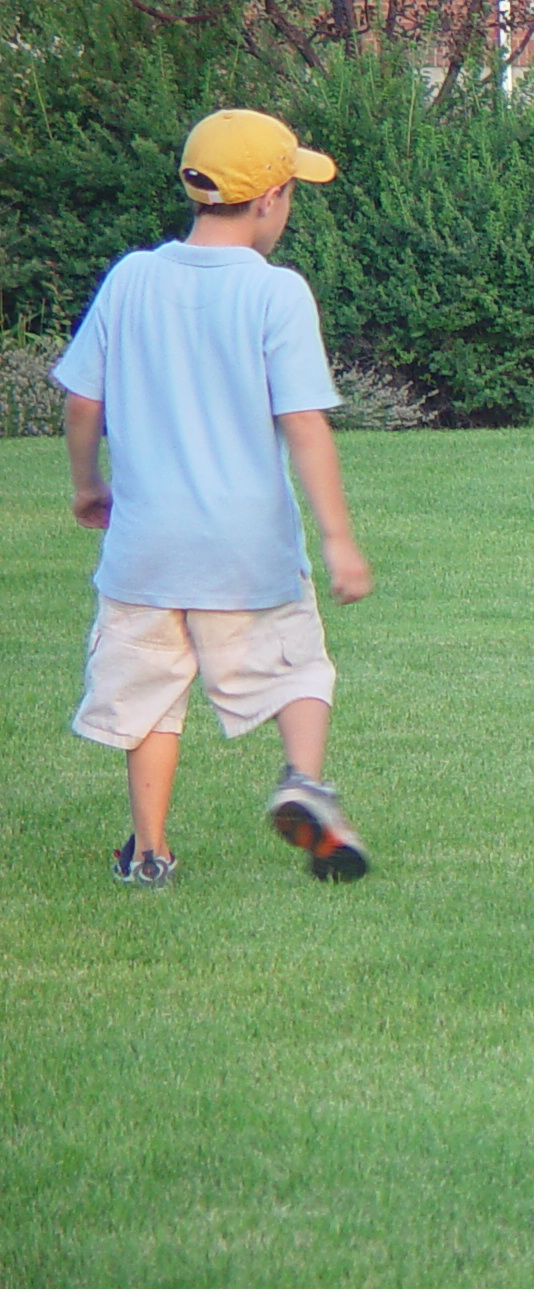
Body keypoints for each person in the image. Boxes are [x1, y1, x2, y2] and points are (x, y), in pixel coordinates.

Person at [52, 108, 374, 888]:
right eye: (291, 192)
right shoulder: (276, 294)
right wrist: (337, 538)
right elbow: (303, 426)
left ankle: (150, 853)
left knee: (152, 702)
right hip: (248, 545)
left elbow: (81, 402)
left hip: (145, 545)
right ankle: (301, 779)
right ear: (267, 199)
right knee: (298, 668)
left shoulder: (131, 278)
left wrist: (88, 483)